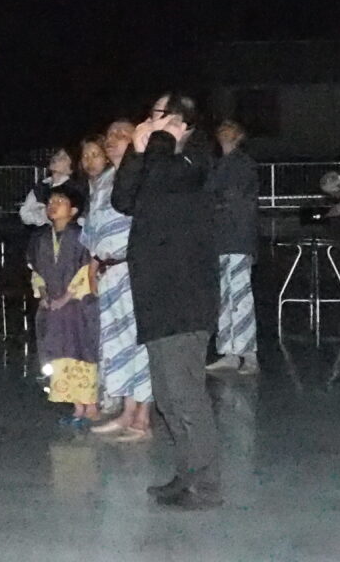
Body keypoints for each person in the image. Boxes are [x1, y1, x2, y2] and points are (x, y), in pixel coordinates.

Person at [112, 92, 222, 510]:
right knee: (167, 396)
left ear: (179, 120)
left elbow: (168, 177)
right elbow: (124, 199)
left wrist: (155, 143)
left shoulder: (196, 157)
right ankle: (186, 474)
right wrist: (137, 152)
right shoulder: (158, 160)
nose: (146, 120)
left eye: (154, 114)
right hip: (156, 293)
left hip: (186, 294)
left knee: (186, 393)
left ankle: (206, 485)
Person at [81, 126, 154, 441]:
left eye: (121, 134)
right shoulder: (102, 183)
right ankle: (126, 412)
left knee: (140, 342)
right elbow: (94, 232)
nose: (111, 140)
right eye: (107, 135)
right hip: (108, 272)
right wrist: (93, 265)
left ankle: (143, 419)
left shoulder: (142, 175)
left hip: (132, 269)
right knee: (117, 344)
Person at [28, 182, 100, 427]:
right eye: (50, 202)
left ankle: (90, 405)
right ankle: (76, 406)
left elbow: (86, 271)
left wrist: (66, 297)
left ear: (73, 211)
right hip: (53, 310)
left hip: (77, 308)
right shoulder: (40, 240)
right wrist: (44, 293)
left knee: (82, 351)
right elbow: (36, 271)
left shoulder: (81, 237)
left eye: (60, 202)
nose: (53, 205)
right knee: (59, 352)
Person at [205, 121, 260, 375]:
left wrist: (213, 203)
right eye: (221, 130)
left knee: (240, 296)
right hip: (219, 240)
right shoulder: (217, 164)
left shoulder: (243, 163)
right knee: (223, 298)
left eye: (229, 130)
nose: (224, 133)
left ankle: (248, 355)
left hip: (238, 239)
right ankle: (228, 352)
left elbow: (231, 197)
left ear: (239, 136)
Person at [19, 148, 74, 226]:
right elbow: (24, 214)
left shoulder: (73, 189)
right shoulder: (41, 186)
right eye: (57, 155)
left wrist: (39, 211)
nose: (56, 158)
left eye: (63, 158)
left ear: (70, 169)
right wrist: (45, 213)